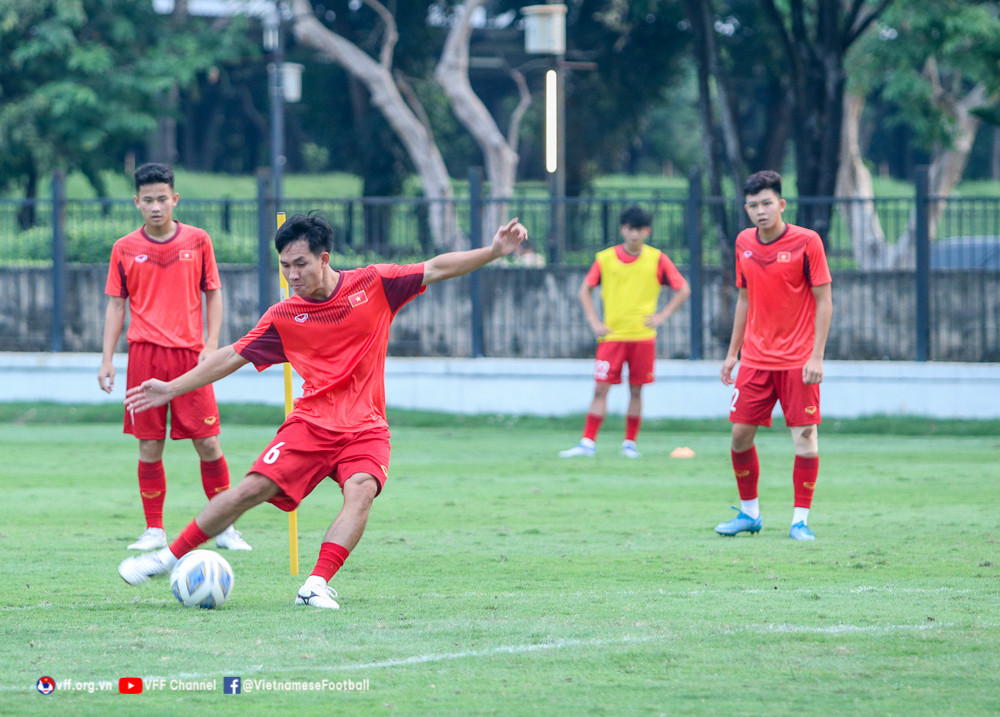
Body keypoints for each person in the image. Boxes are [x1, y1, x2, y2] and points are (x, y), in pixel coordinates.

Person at [118, 213, 529, 609]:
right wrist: (170, 388)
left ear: (324, 258)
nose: (292, 275)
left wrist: (493, 251)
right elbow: (231, 356)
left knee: (362, 491)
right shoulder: (283, 316)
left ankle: (315, 584)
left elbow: (436, 267)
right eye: (285, 266)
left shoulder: (374, 284)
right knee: (249, 490)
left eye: (301, 264)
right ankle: (167, 557)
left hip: (366, 427)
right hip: (311, 425)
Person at [98, 163, 250, 552]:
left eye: (162, 199)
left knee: (208, 443)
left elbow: (213, 292)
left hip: (190, 358)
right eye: (148, 200)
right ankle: (154, 530)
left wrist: (211, 344)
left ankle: (224, 528)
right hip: (144, 356)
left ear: (175, 199)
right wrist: (107, 359)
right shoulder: (124, 247)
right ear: (136, 202)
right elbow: (116, 306)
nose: (155, 206)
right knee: (149, 446)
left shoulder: (198, 240)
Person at [715, 170, 833, 541]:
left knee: (806, 438)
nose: (760, 211)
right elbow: (744, 299)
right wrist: (732, 353)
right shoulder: (743, 242)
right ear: (746, 208)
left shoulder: (807, 241)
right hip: (755, 359)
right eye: (753, 205)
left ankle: (800, 521)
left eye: (767, 203)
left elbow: (824, 301)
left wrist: (816, 357)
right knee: (739, 436)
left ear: (781, 204)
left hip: (798, 360)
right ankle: (750, 513)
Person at [559, 206, 690, 458]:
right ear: (623, 229)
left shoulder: (657, 259)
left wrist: (662, 316)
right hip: (612, 337)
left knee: (637, 390)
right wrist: (594, 321)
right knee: (600, 389)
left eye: (640, 229)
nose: (635, 234)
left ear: (647, 231)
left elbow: (683, 289)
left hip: (643, 337)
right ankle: (587, 443)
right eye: (631, 229)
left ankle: (629, 444)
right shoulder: (605, 259)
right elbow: (584, 290)